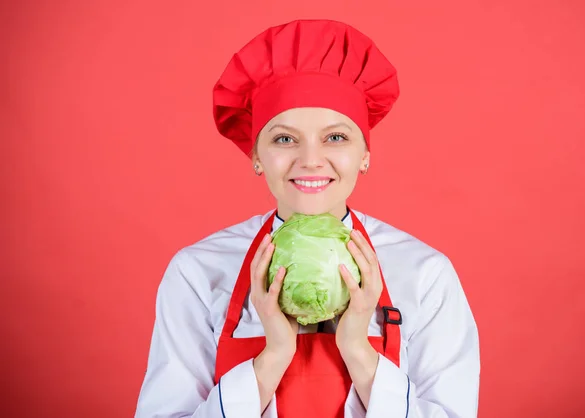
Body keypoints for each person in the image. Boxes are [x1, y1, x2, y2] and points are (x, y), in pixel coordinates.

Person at [134, 19, 480, 418]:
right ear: (256, 157)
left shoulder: (425, 274)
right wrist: (274, 355)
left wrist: (357, 351)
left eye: (336, 137)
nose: (311, 160)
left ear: (365, 154)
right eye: (284, 138)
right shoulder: (198, 271)